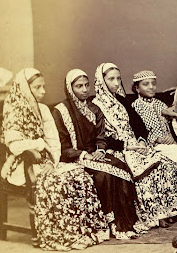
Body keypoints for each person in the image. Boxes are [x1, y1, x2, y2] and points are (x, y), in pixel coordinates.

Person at [2, 68, 108, 250]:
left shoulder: (43, 109)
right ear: (25, 89)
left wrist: (51, 160)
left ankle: (80, 231)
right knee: (58, 182)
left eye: (43, 87)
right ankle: (60, 234)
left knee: (80, 177)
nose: (43, 91)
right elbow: (15, 146)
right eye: (37, 88)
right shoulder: (14, 110)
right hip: (23, 163)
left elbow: (54, 141)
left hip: (47, 160)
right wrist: (38, 145)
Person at [53, 69, 143, 239]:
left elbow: (101, 136)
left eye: (86, 85)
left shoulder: (94, 108)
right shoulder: (60, 112)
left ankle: (127, 222)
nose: (85, 89)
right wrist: (83, 155)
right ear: (70, 88)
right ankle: (112, 224)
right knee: (104, 176)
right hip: (74, 157)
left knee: (122, 167)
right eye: (79, 86)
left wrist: (100, 150)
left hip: (95, 153)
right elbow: (61, 145)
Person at [93, 63, 177, 228]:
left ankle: (168, 211)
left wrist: (140, 140)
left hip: (135, 144)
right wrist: (129, 146)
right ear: (101, 80)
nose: (116, 83)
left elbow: (138, 125)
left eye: (118, 79)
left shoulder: (121, 100)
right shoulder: (96, 105)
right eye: (111, 79)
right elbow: (102, 136)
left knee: (162, 163)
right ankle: (153, 216)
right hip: (118, 148)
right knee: (145, 169)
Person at [131, 70, 177, 217]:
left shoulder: (161, 104)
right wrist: (156, 139)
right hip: (154, 145)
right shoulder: (135, 107)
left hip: (170, 142)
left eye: (153, 84)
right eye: (146, 84)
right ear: (137, 88)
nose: (151, 87)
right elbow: (138, 132)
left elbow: (172, 125)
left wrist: (172, 136)